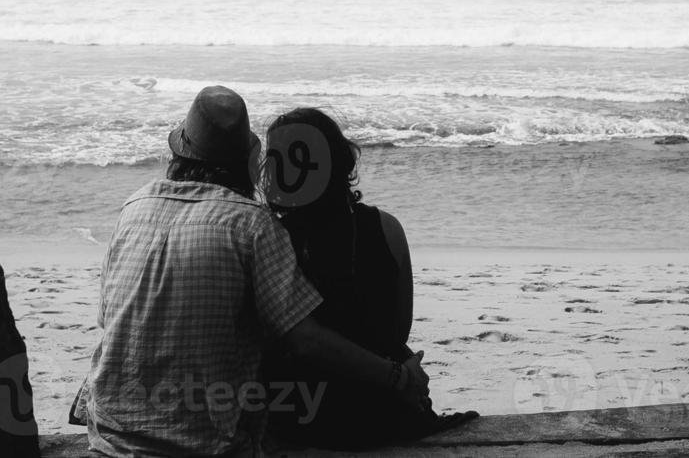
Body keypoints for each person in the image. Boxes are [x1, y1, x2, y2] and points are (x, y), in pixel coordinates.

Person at [80, 86, 432, 458]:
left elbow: (106, 318)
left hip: (109, 433)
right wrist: (398, 378)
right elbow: (310, 339)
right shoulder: (254, 225)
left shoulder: (134, 206)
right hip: (203, 443)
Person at [261, 107, 478, 449]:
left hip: (303, 414)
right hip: (384, 412)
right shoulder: (386, 228)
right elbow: (398, 329)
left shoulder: (268, 239)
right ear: (339, 161)